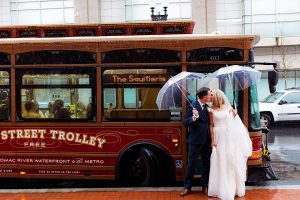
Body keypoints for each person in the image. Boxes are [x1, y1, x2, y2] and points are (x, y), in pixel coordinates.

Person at [208, 89, 252, 200]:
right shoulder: (210, 109)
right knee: (220, 160)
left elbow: (235, 124)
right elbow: (211, 125)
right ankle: (221, 188)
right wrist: (212, 140)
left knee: (229, 159)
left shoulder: (229, 108)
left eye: (212, 95)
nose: (210, 97)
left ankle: (233, 187)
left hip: (228, 137)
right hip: (218, 136)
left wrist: (235, 114)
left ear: (217, 96)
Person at [180, 87, 212, 197]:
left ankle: (205, 186)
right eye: (209, 94)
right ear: (204, 97)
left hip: (207, 141)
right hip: (195, 141)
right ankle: (187, 187)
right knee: (191, 164)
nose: (210, 96)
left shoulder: (207, 107)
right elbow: (185, 122)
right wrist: (193, 118)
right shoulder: (192, 106)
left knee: (206, 163)